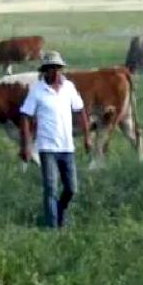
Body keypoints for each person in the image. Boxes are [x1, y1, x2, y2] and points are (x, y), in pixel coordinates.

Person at [19, 52, 91, 228]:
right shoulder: (37, 90)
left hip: (67, 147)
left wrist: (87, 136)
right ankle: (52, 228)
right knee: (51, 188)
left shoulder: (69, 87)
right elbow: (25, 116)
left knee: (71, 189)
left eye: (59, 68)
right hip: (47, 147)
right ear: (45, 71)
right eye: (53, 69)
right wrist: (27, 146)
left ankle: (59, 211)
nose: (57, 73)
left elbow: (80, 110)